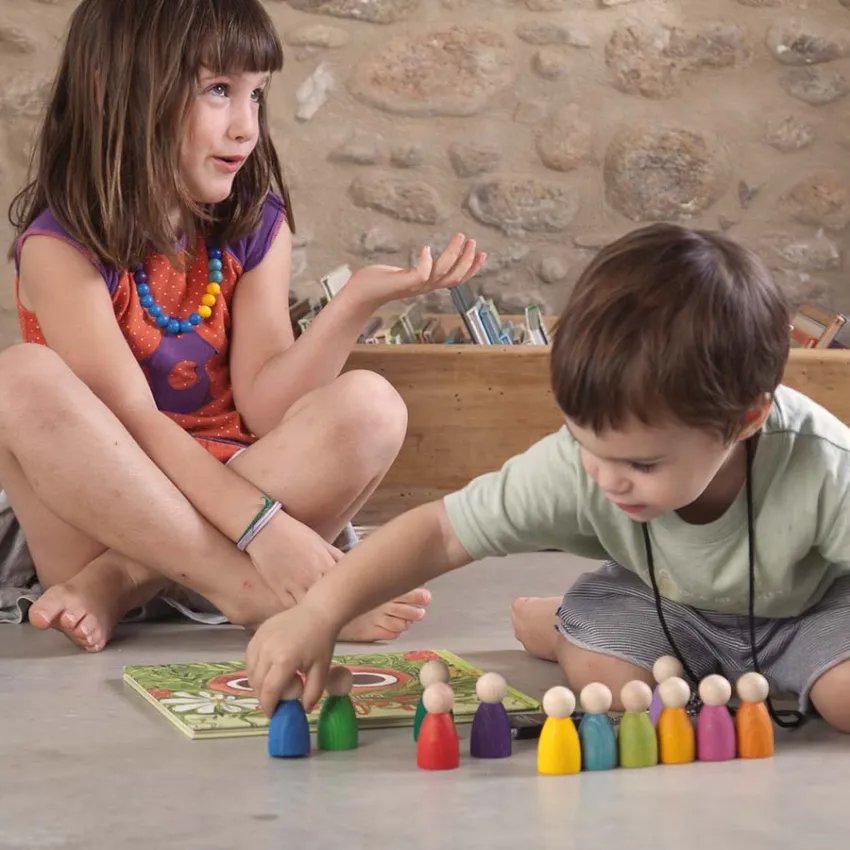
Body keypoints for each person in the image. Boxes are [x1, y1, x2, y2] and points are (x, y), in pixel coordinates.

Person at [0, 0, 485, 652]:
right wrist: (263, 531)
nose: (246, 127)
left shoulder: (255, 225)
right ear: (123, 91)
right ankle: (250, 593)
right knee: (18, 377)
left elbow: (264, 407)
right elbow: (135, 428)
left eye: (256, 95)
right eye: (220, 91)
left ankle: (120, 584)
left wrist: (354, 304)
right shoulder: (58, 248)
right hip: (108, 519)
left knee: (373, 404)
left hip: (240, 489)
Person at [245, 224, 850, 734]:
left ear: (746, 420)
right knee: (612, 695)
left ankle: (566, 620)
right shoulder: (577, 464)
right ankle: (563, 627)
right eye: (589, 446)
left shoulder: (824, 464)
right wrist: (319, 612)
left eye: (643, 465)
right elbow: (440, 533)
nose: (608, 481)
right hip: (661, 602)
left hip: (808, 608)